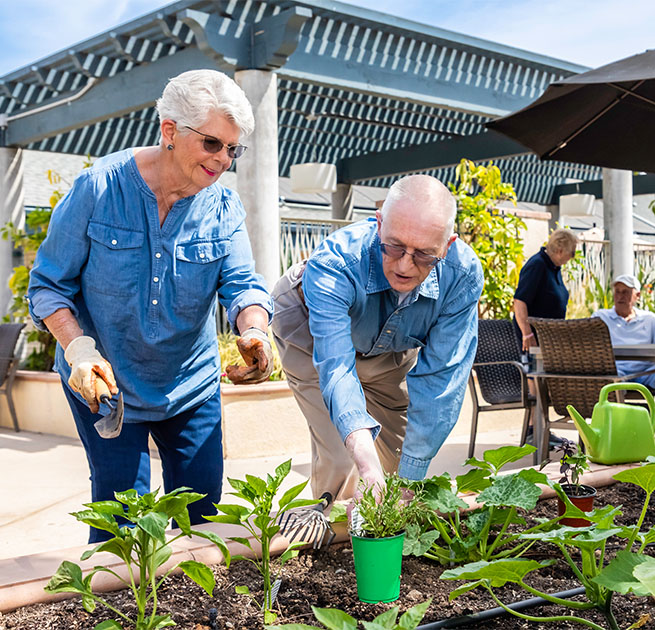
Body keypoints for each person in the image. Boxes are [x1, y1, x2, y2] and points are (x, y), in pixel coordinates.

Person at [27, 69, 274, 542]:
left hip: (191, 387)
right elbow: (48, 286)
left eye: (232, 149)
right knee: (123, 528)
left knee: (201, 519)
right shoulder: (97, 189)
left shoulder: (223, 206)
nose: (223, 160)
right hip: (107, 384)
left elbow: (242, 283)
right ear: (170, 132)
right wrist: (79, 351)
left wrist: (255, 330)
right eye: (212, 144)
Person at [270, 174, 483, 503]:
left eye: (425, 255)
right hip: (309, 327)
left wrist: (410, 479)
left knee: (402, 462)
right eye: (394, 246)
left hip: (390, 340)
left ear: (448, 245)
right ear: (378, 223)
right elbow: (338, 368)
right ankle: (336, 537)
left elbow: (442, 379)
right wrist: (366, 463)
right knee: (346, 457)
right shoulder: (338, 261)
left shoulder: (462, 275)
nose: (405, 265)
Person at [593, 273, 655, 403]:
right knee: (611, 378)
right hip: (616, 370)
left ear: (637, 296)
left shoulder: (650, 319)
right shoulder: (600, 317)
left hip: (645, 372)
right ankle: (617, 421)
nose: (620, 296)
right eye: (617, 292)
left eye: (625, 292)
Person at [512, 228, 579, 351]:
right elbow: (519, 301)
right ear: (560, 251)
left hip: (549, 340)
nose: (572, 257)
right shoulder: (537, 265)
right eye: (572, 252)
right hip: (534, 341)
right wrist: (527, 334)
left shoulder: (554, 267)